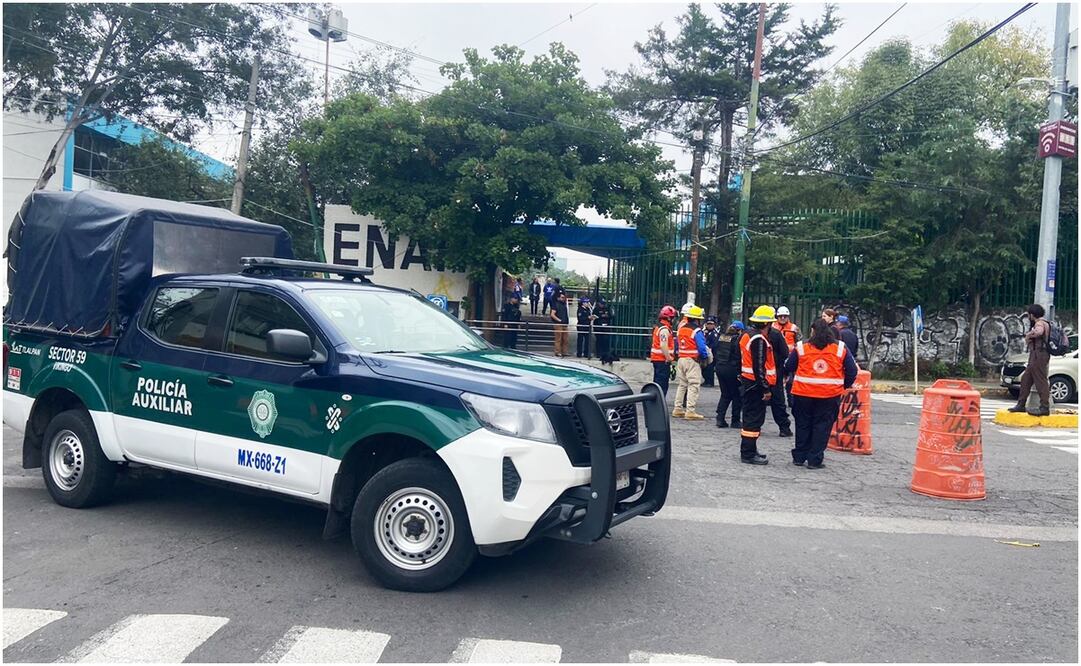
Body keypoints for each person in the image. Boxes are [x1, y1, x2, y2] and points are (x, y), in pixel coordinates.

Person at [785, 318, 858, 468]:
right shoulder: (840, 348)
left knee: (803, 424)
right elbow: (852, 371)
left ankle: (799, 457)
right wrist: (843, 385)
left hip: (803, 394)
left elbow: (789, 365)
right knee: (822, 427)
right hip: (829, 395)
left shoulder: (801, 347)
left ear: (813, 331)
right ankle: (814, 459)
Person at [738, 306, 778, 465]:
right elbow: (759, 366)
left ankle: (751, 450)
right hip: (755, 385)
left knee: (750, 418)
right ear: (767, 323)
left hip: (748, 382)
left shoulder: (746, 335)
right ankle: (748, 454)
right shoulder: (758, 340)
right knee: (753, 420)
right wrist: (766, 388)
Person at [1008, 303, 1052, 416]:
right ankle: (1021, 404)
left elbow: (1039, 332)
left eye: (1029, 314)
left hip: (1039, 355)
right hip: (1035, 355)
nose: (1028, 317)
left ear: (1032, 315)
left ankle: (1044, 407)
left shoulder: (1040, 323)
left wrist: (1028, 335)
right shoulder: (1044, 322)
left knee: (1040, 381)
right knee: (1026, 379)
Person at [672, 306, 710, 420]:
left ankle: (677, 409)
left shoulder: (681, 329)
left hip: (681, 359)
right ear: (697, 320)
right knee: (693, 385)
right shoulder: (696, 331)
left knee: (682, 385)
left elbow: (676, 345)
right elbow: (702, 347)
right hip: (692, 360)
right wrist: (704, 357)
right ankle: (690, 411)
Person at [766, 320, 794, 437]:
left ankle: (752, 426)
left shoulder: (750, 334)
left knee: (755, 402)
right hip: (774, 372)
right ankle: (784, 428)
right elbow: (785, 352)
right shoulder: (776, 334)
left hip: (756, 372)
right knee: (778, 401)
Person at [715, 321, 745, 428]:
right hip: (731, 369)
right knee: (737, 395)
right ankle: (735, 420)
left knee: (725, 394)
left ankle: (720, 418)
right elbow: (738, 356)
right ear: (740, 330)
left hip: (720, 368)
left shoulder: (721, 337)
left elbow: (715, 350)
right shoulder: (737, 339)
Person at [650, 305, 677, 395]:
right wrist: (669, 358)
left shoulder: (659, 327)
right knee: (662, 385)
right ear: (669, 318)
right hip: (662, 360)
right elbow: (663, 345)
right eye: (673, 318)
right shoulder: (664, 330)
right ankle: (659, 404)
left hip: (657, 360)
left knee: (657, 383)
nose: (674, 320)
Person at [594, 298, 615, 364]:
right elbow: (595, 317)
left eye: (603, 304)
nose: (602, 305)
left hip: (606, 328)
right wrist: (601, 316)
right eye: (601, 303)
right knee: (599, 341)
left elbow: (611, 316)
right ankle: (598, 353)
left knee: (606, 341)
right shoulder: (596, 309)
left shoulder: (607, 309)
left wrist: (606, 316)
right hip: (599, 328)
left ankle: (606, 353)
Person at [701, 317, 720, 387]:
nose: (709, 325)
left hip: (713, 353)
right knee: (704, 368)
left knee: (709, 368)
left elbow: (715, 344)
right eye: (708, 324)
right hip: (705, 352)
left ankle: (710, 382)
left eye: (711, 324)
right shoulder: (704, 332)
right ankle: (706, 380)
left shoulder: (714, 333)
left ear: (714, 325)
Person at [550, 291, 570, 357]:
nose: (563, 298)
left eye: (564, 297)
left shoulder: (564, 305)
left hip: (565, 324)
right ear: (558, 298)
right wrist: (559, 320)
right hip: (558, 324)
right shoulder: (555, 304)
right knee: (558, 339)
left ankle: (564, 351)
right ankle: (557, 352)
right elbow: (552, 314)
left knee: (565, 339)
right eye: (562, 297)